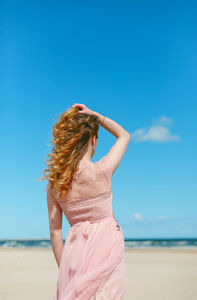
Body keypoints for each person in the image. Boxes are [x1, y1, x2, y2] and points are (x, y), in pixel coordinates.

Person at [44, 103, 130, 299]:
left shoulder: (54, 186)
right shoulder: (102, 171)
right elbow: (124, 135)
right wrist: (95, 116)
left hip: (74, 252)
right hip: (106, 246)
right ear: (93, 140)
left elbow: (55, 233)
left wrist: (65, 270)